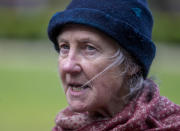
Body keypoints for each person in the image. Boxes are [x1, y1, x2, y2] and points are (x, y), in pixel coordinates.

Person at [48, 0, 180, 130]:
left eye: (89, 48)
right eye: (64, 47)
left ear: (132, 64)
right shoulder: (67, 126)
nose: (68, 66)